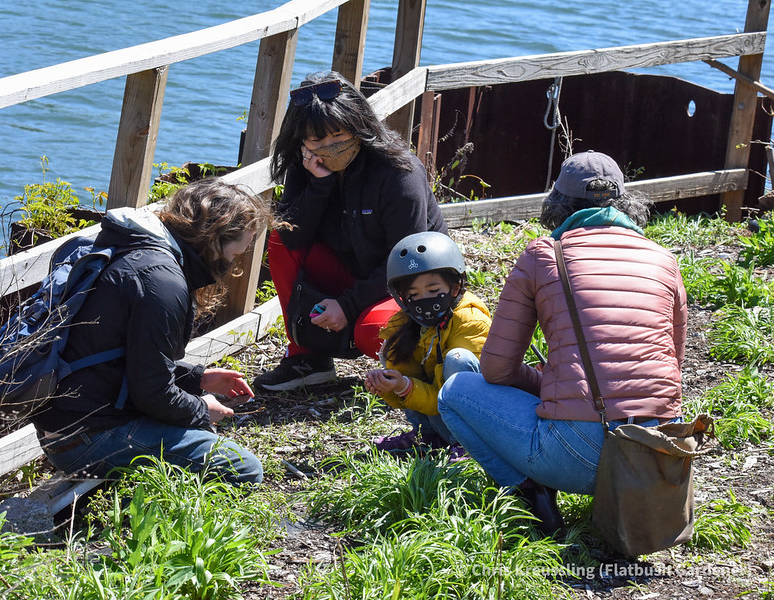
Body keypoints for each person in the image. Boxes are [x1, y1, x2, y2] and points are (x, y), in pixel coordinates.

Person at [437, 151, 687, 535]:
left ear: (556, 203)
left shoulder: (544, 255)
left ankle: (531, 493)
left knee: (455, 389)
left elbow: (495, 369)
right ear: (625, 202)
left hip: (579, 459)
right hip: (655, 457)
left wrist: (547, 382)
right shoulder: (664, 259)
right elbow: (671, 367)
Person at [31, 178, 277, 485]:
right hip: (89, 439)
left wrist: (197, 378)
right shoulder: (163, 282)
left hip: (64, 428)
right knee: (243, 468)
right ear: (215, 239)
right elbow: (152, 394)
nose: (233, 262)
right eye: (235, 253)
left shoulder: (136, 248)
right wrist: (202, 408)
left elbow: (127, 358)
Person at [253, 71, 447, 392]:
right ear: (301, 140)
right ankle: (307, 357)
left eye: (338, 134)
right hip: (355, 274)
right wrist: (320, 184)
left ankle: (424, 362)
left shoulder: (399, 172)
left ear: (359, 126)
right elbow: (293, 239)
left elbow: (408, 261)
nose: (329, 146)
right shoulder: (305, 166)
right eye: (317, 140)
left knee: (373, 331)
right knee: (280, 239)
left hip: (413, 285)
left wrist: (347, 304)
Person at [364, 231, 491, 457]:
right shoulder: (403, 323)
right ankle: (429, 436)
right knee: (393, 351)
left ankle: (469, 445)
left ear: (455, 287)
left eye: (433, 291)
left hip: (477, 423)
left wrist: (405, 386)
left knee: (457, 359)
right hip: (439, 412)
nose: (425, 300)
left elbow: (450, 396)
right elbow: (407, 392)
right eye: (414, 294)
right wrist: (390, 388)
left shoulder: (471, 321)